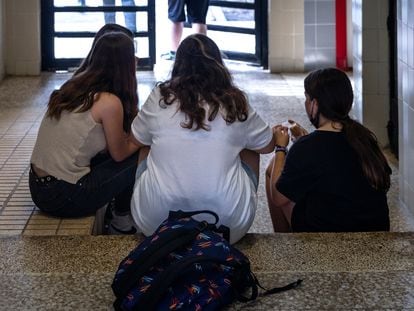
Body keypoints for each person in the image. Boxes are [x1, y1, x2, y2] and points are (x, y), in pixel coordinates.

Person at [130, 34, 275, 244]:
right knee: (250, 146)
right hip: (229, 225)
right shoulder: (234, 103)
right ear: (218, 64)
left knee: (146, 144)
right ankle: (233, 203)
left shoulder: (160, 97)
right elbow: (267, 144)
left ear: (178, 64)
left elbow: (136, 138)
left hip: (154, 223)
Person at [29, 32, 141, 234]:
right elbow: (120, 153)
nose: (137, 60)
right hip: (65, 196)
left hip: (38, 188)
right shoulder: (109, 102)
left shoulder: (73, 86)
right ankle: (121, 220)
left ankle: (119, 214)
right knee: (139, 154)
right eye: (133, 55)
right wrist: (143, 137)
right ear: (124, 62)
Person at [266, 68, 392, 233]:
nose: (305, 103)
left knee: (272, 169)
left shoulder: (307, 147)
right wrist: (304, 140)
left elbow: (278, 197)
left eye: (307, 98)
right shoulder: (364, 137)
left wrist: (280, 147)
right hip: (376, 232)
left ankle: (284, 242)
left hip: (327, 239)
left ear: (315, 104)